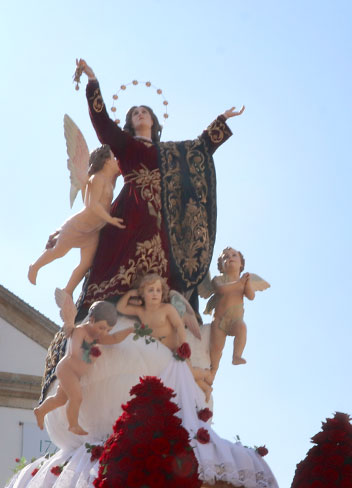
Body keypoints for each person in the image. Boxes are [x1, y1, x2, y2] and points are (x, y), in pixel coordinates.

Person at [39, 57, 242, 400]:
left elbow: (199, 150)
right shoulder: (125, 146)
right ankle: (99, 323)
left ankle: (166, 324)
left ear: (155, 121)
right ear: (130, 123)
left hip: (161, 223)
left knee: (164, 274)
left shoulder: (169, 154)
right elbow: (102, 124)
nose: (140, 116)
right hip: (129, 215)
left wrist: (220, 123)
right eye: (134, 114)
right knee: (109, 267)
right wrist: (92, 83)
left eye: (145, 113)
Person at [28, 142, 125, 298]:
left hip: (93, 230)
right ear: (106, 160)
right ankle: (34, 267)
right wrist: (111, 220)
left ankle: (68, 290)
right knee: (59, 251)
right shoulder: (97, 178)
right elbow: (91, 204)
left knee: (86, 263)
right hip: (79, 225)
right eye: (115, 158)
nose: (118, 161)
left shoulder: (110, 182)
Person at [33, 300, 134, 435]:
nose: (104, 333)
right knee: (76, 397)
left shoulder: (97, 336)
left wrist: (128, 331)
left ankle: (40, 411)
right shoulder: (80, 331)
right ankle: (73, 425)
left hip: (75, 374)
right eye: (101, 328)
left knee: (61, 399)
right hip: (67, 369)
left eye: (107, 330)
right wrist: (90, 350)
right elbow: (75, 351)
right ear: (91, 320)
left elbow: (114, 338)